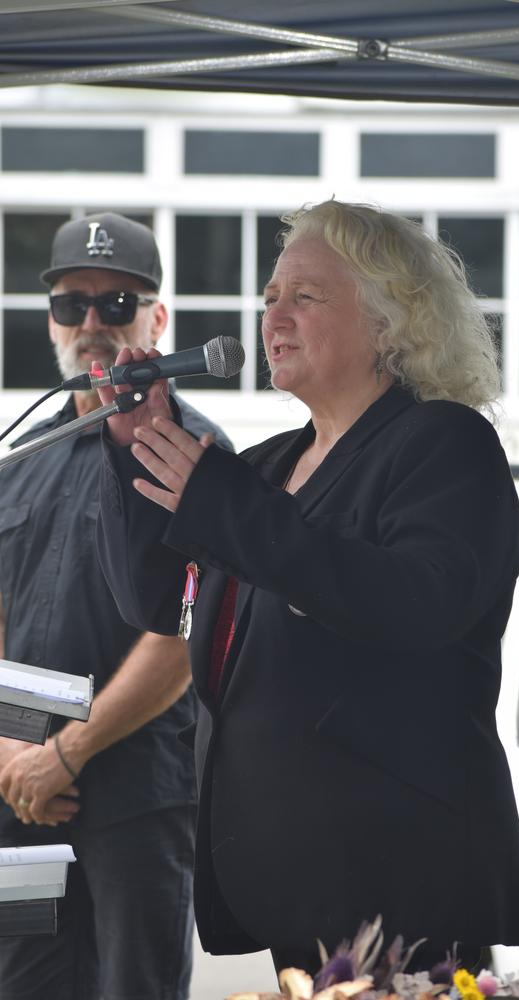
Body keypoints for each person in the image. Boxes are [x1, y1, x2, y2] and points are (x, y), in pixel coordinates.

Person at [95, 199, 519, 973]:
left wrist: (224, 504)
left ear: (389, 323)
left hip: (399, 873)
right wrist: (139, 458)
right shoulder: (266, 467)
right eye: (269, 299)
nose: (274, 318)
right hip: (284, 873)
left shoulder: (444, 443)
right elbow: (161, 604)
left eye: (306, 296)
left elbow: (415, 604)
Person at [0, 212, 232, 1000]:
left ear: (157, 319)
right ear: (53, 320)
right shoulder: (22, 454)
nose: (93, 323)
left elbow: (182, 639)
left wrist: (67, 752)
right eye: (73, 304)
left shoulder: (193, 453)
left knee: (134, 988)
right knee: (25, 985)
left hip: (138, 793)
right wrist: (11, 754)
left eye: (118, 302)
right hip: (24, 796)